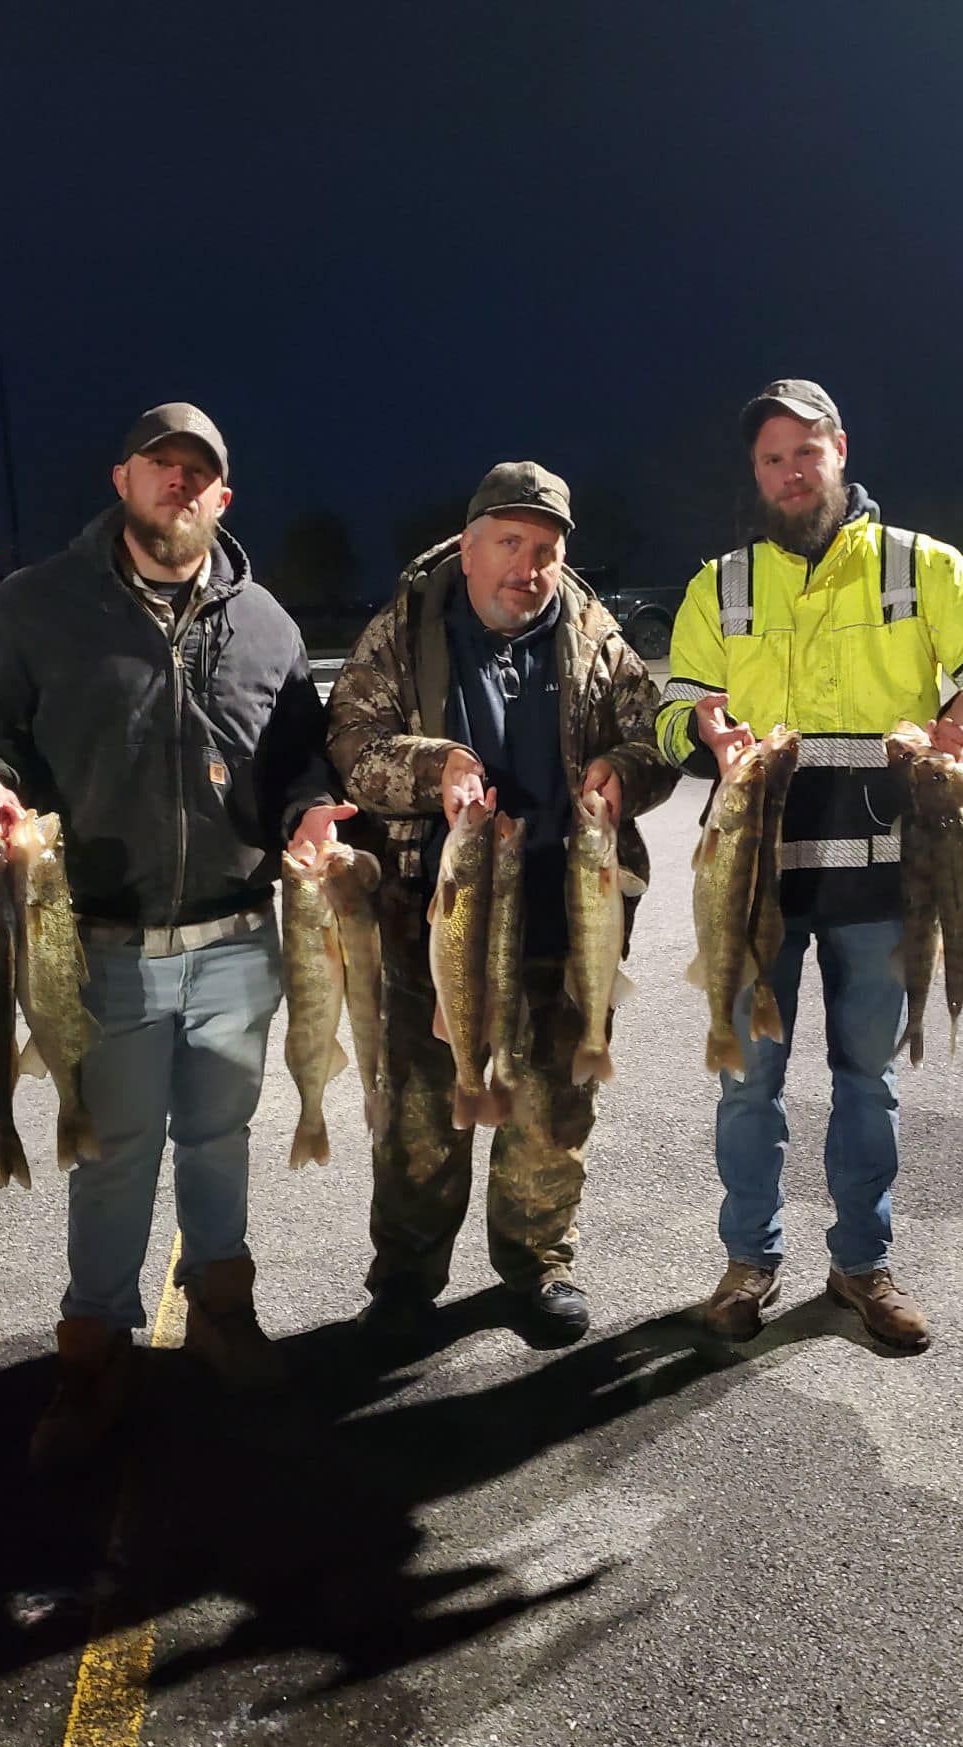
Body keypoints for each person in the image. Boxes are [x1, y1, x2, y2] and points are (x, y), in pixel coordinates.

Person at [0, 402, 347, 1463]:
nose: (177, 484)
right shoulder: (42, 605)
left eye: (196, 472)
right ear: (122, 479)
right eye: (159, 466)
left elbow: (301, 749)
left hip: (240, 942)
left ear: (222, 497)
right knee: (110, 1156)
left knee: (217, 1141)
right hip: (97, 944)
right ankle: (94, 1347)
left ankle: (221, 1306)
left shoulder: (267, 625)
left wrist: (310, 805)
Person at [656, 379, 963, 1348]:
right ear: (755, 474)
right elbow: (672, 711)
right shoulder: (723, 585)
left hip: (887, 885)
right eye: (772, 460)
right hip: (755, 884)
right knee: (746, 1081)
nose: (792, 474)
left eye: (807, 452)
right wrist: (699, 731)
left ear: (841, 449)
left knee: (865, 1082)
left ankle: (861, 1265)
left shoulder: (922, 568)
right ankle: (748, 1260)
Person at [326, 461, 675, 1343]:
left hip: (567, 920)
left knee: (552, 1114)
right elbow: (351, 745)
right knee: (420, 1113)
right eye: (512, 544)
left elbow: (656, 739)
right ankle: (405, 1278)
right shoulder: (404, 631)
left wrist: (625, 772)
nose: (529, 567)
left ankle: (538, 1264)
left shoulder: (597, 637)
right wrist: (431, 767)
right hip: (432, 915)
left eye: (547, 550)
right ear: (471, 545)